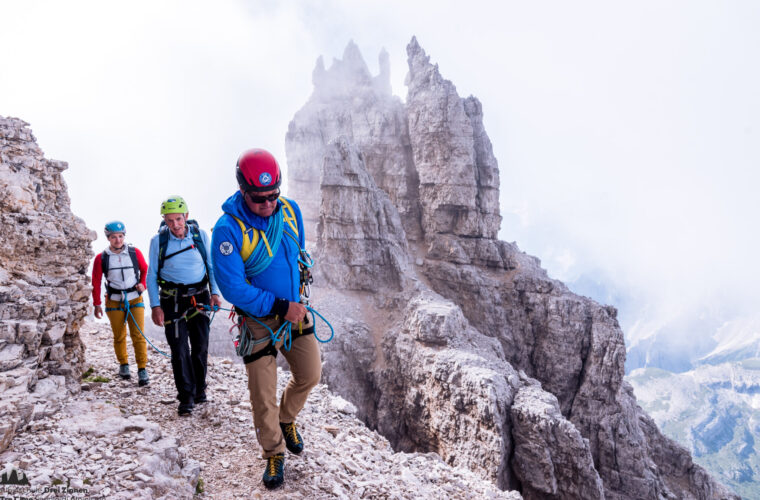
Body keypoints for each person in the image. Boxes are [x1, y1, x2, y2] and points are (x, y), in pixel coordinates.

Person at [211, 149, 321, 490]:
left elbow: (298, 253)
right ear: (243, 192)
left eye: (273, 195)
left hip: (293, 310)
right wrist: (279, 306)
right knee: (262, 393)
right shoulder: (227, 230)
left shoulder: (290, 212)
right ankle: (274, 451)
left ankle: (286, 419)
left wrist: (294, 300)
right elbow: (233, 288)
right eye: (259, 199)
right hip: (259, 319)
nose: (268, 204)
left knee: (310, 373)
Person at [147, 196, 222, 416]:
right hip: (172, 300)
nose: (175, 225)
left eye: (178, 219)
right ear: (165, 220)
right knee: (179, 350)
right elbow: (151, 275)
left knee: (200, 347)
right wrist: (155, 306)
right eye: (170, 221)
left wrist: (215, 293)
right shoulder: (158, 241)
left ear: (186, 217)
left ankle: (200, 389)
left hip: (199, 297)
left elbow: (211, 266)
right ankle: (186, 396)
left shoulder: (200, 236)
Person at [91, 220, 150, 386]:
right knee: (119, 335)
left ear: (124, 236)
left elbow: (145, 269)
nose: (118, 240)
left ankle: (142, 368)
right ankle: (124, 364)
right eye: (114, 237)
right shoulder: (101, 258)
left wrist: (143, 284)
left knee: (138, 335)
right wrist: (96, 304)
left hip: (134, 298)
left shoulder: (134, 253)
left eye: (120, 236)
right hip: (114, 301)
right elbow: (95, 281)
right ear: (108, 238)